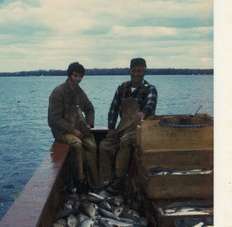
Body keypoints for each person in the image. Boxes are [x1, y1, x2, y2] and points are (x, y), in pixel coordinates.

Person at [99, 58, 157, 193]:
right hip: (122, 127)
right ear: (130, 71)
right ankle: (107, 180)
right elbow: (113, 108)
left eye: (140, 71)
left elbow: (151, 104)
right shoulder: (122, 88)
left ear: (145, 72)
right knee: (104, 146)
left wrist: (143, 113)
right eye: (134, 70)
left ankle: (120, 180)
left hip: (141, 130)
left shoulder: (150, 89)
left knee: (125, 142)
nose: (136, 74)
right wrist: (111, 127)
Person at [48, 62, 100, 193]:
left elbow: (90, 108)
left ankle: (94, 183)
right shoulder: (58, 92)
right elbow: (54, 119)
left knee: (92, 145)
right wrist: (72, 130)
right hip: (61, 131)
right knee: (76, 144)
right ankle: (78, 181)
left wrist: (89, 124)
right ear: (69, 75)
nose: (77, 79)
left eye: (80, 76)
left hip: (78, 128)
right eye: (75, 75)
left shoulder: (79, 92)